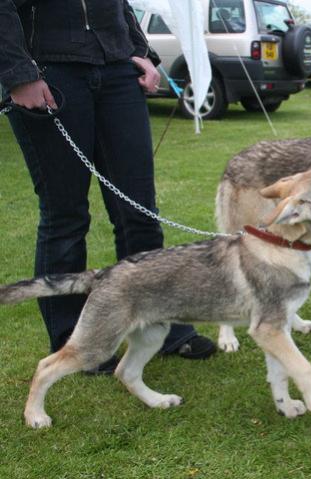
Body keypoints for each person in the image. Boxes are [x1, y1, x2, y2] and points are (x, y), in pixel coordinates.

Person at [0, 0, 216, 371]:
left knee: (140, 213)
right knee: (65, 217)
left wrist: (142, 52)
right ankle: (76, 344)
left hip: (116, 70)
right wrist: (19, 74)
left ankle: (161, 329)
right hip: (50, 69)